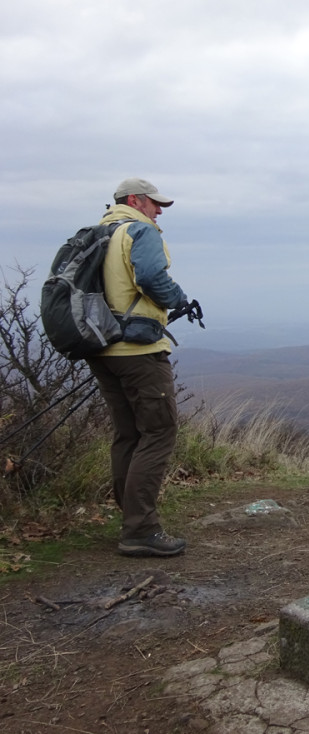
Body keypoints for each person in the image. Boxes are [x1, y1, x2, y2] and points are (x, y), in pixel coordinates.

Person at [85, 178, 192, 557]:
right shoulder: (138, 232)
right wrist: (178, 297)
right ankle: (140, 529)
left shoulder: (98, 233)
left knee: (128, 434)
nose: (159, 210)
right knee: (159, 431)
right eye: (154, 203)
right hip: (137, 350)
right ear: (134, 200)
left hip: (101, 348)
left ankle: (130, 515)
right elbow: (149, 277)